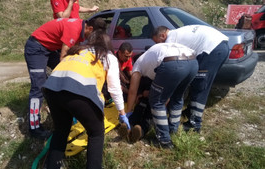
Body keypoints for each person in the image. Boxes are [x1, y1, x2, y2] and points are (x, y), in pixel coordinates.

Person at [42, 30, 130, 169]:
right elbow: (114, 88)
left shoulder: (77, 51)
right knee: (96, 133)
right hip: (78, 92)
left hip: (52, 89)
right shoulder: (107, 56)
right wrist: (122, 113)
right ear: (108, 45)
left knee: (60, 131)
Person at [24, 17, 106, 140]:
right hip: (36, 48)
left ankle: (65, 105)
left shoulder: (81, 28)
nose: (92, 39)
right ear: (89, 28)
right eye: (93, 35)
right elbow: (64, 58)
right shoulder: (74, 29)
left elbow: (73, 53)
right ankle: (34, 127)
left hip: (48, 48)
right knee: (38, 87)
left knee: (65, 74)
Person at [152, 25, 229, 133]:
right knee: (199, 83)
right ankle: (190, 112)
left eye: (157, 42)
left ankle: (194, 124)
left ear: (163, 35)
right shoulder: (177, 33)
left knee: (200, 86)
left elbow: (172, 66)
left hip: (212, 49)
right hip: (221, 46)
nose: (158, 45)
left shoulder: (170, 40)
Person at [126, 43, 198, 149]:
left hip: (173, 63)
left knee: (156, 101)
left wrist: (128, 112)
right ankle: (172, 130)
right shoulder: (152, 57)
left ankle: (164, 140)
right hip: (192, 62)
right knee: (177, 98)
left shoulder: (138, 66)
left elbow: (132, 91)